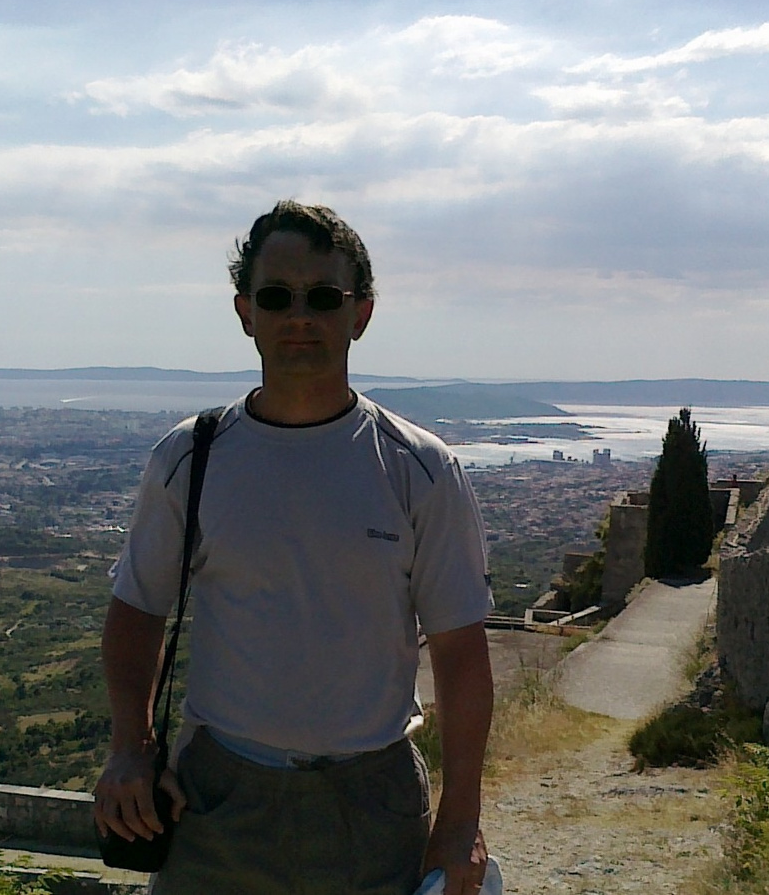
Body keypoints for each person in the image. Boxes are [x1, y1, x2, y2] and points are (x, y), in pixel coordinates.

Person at [94, 201, 495, 895]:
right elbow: (136, 612)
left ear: (360, 314)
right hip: (216, 801)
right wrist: (130, 748)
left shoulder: (420, 469)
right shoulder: (191, 458)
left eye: (323, 298)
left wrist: (460, 821)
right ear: (246, 311)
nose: (299, 317)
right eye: (277, 297)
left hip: (370, 807)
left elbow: (461, 657)